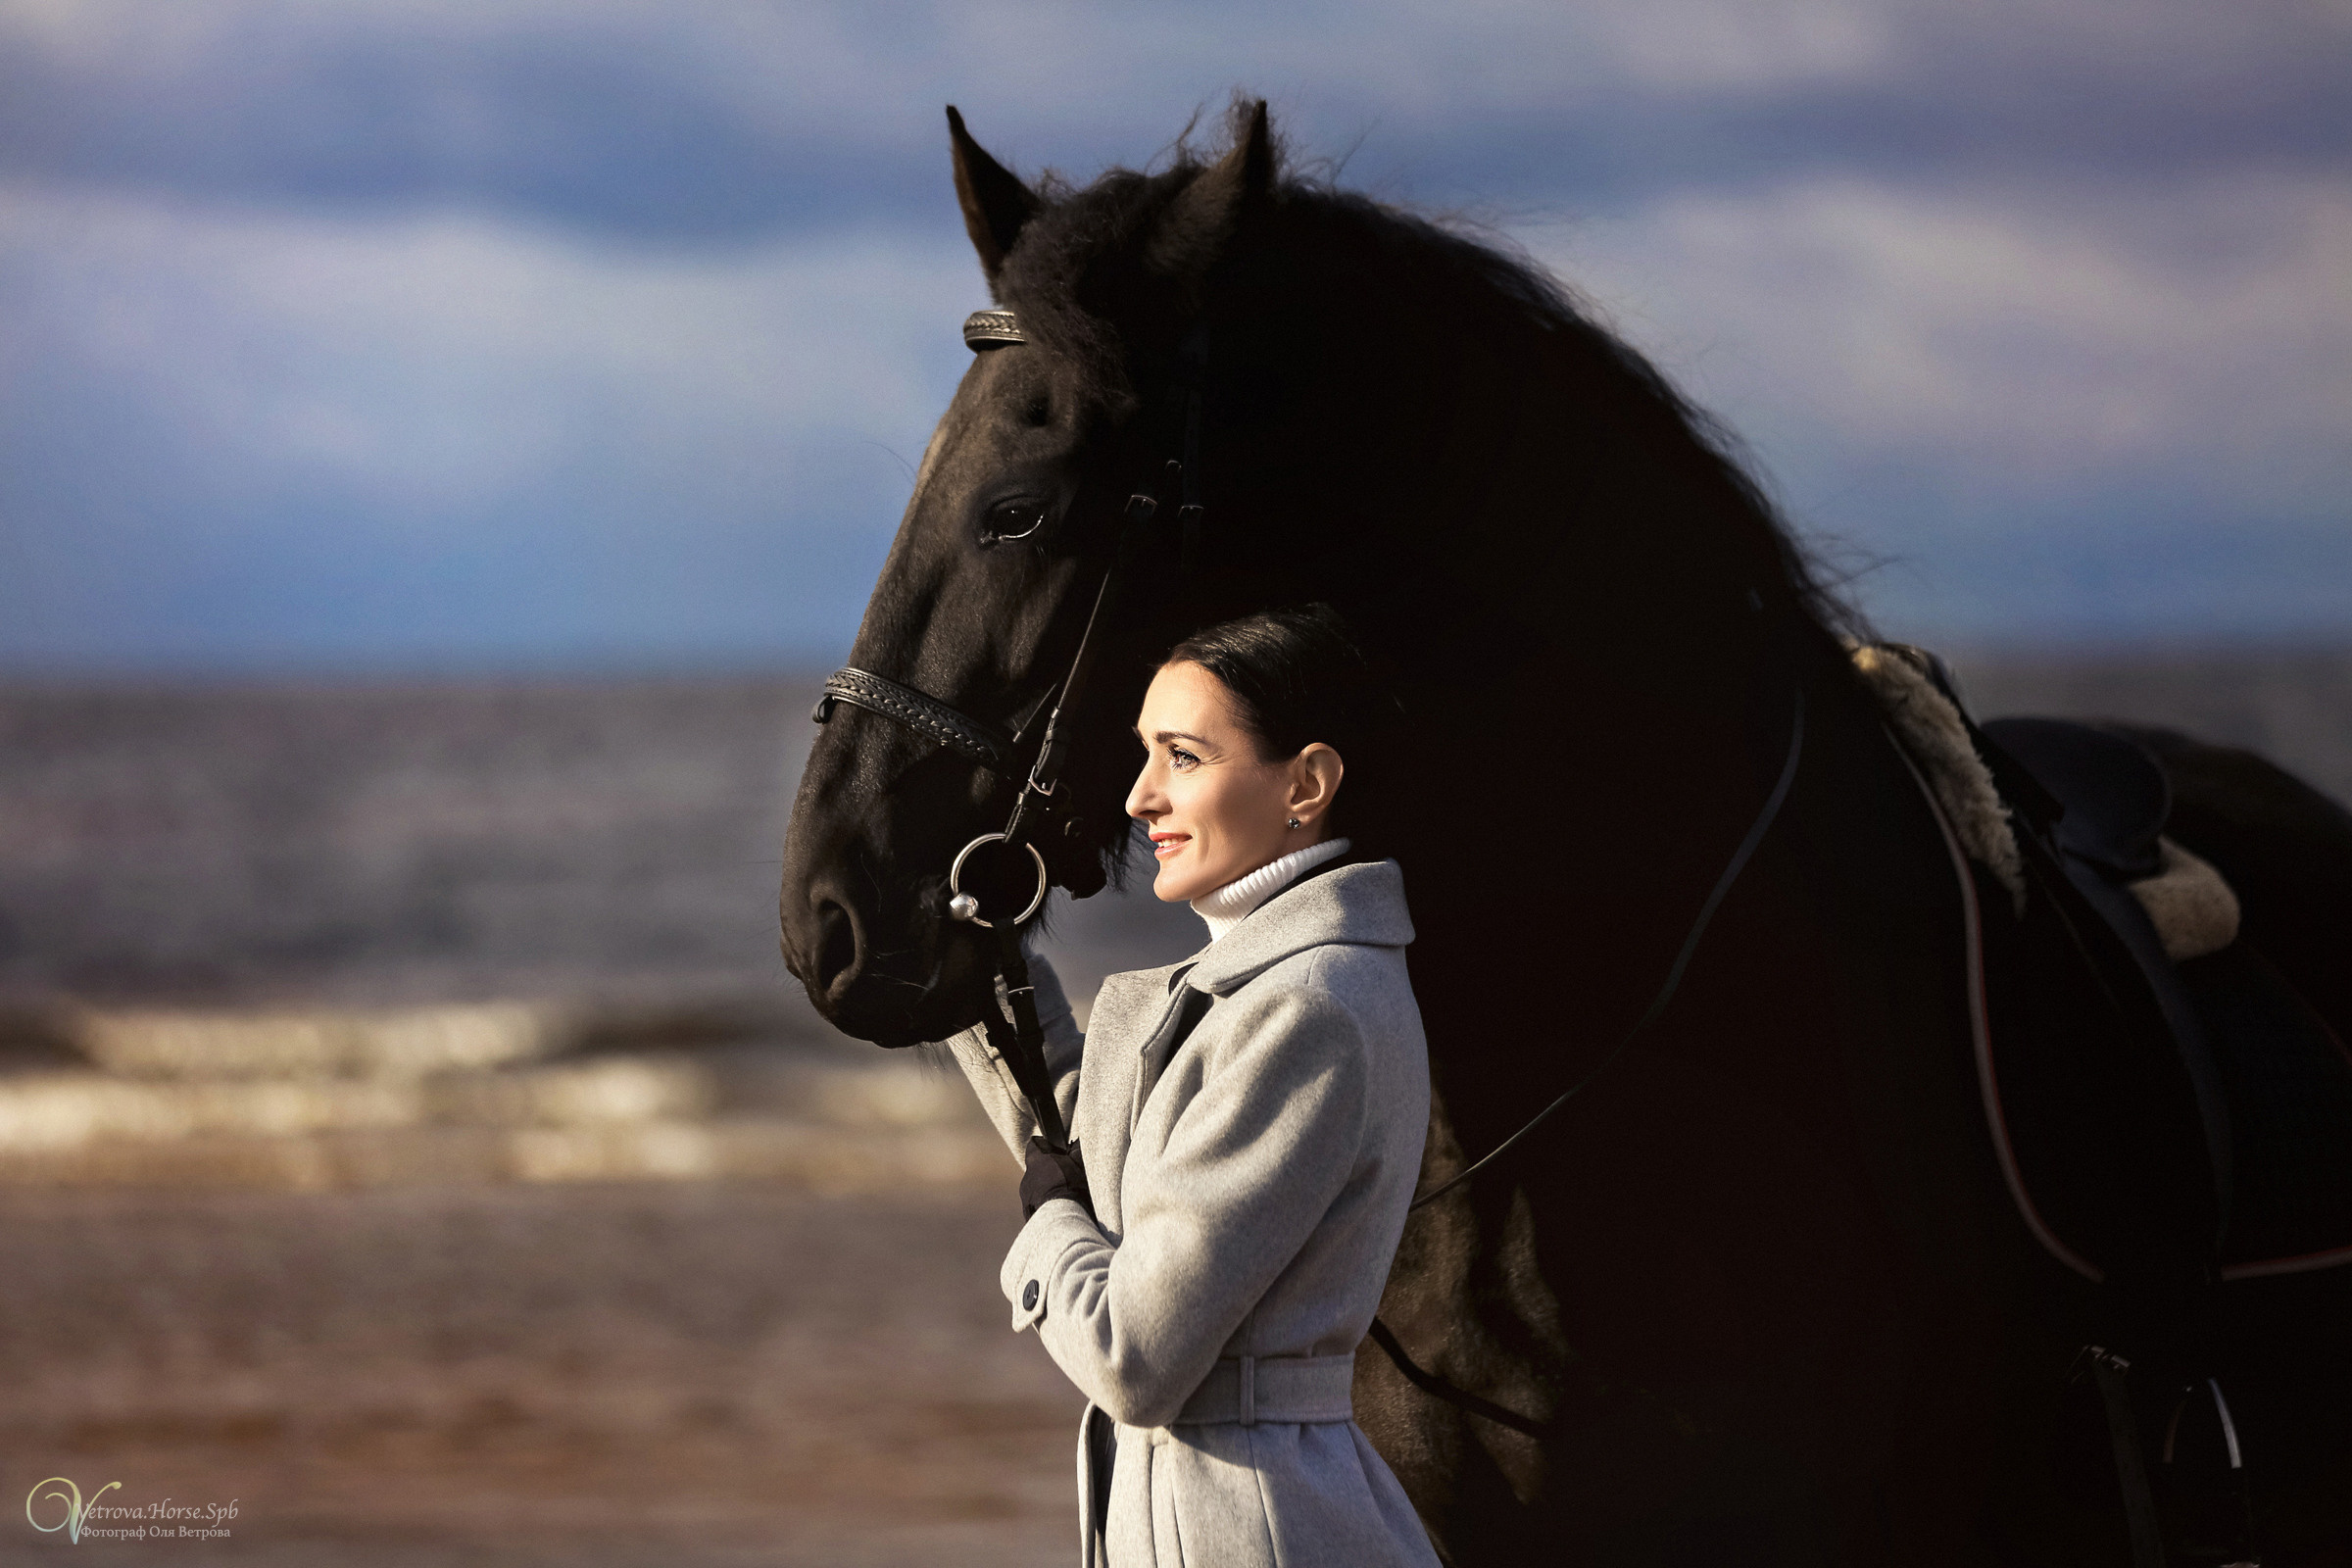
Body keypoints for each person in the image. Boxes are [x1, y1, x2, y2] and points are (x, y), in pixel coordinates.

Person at [945, 604, 1440, 1568]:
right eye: (1144, 755)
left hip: (1254, 1531)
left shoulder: (1303, 1011)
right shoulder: (1260, 994)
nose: (1138, 798)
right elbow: (1093, 1148)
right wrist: (971, 964)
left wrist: (1048, 1227)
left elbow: (1134, 1358)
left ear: (1306, 782)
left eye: (1182, 756)